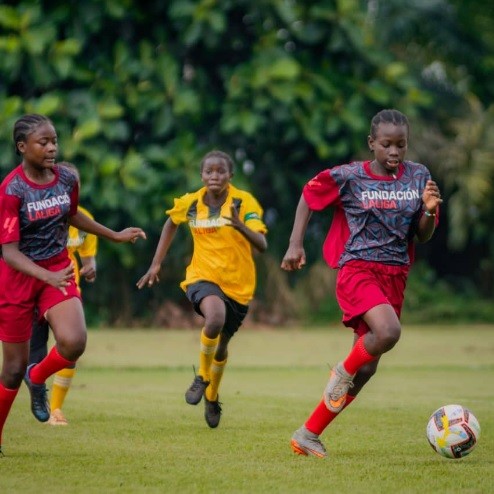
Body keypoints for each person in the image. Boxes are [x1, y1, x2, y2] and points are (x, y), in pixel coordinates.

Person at [281, 109, 442, 458]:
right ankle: (342, 370)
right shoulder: (350, 176)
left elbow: (423, 235)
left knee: (367, 369)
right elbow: (309, 195)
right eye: (386, 144)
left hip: (395, 276)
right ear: (372, 144)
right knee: (388, 333)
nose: (394, 152)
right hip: (358, 269)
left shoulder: (419, 176)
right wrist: (296, 243)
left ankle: (308, 434)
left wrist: (428, 210)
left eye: (401, 145)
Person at [0, 114, 146, 456]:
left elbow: (73, 214)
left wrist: (114, 235)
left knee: (74, 342)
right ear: (22, 147)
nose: (52, 147)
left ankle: (38, 378)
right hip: (19, 279)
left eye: (54, 141)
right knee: (11, 368)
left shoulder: (65, 178)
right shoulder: (11, 189)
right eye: (43, 142)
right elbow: (8, 252)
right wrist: (45, 275)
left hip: (57, 269)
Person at [137, 150, 267, 428]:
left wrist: (239, 224)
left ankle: (211, 394)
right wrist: (156, 264)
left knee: (221, 346)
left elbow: (262, 244)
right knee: (215, 318)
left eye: (221, 171)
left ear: (230, 176)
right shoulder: (191, 202)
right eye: (209, 171)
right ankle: (202, 377)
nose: (214, 176)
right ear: (202, 175)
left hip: (239, 285)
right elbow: (171, 223)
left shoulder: (244, 202)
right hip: (202, 277)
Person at [28, 162, 98, 426]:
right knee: (32, 354)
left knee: (70, 348)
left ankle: (55, 409)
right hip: (36, 290)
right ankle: (37, 394)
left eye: (73, 184)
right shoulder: (35, 212)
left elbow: (89, 257)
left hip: (67, 292)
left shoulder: (83, 218)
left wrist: (90, 267)